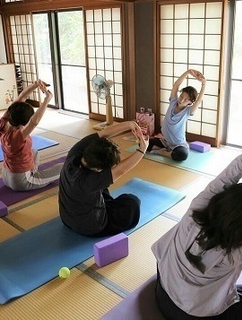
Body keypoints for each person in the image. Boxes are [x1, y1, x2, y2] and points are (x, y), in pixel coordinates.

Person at [152, 154, 242, 319]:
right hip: (194, 314)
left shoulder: (197, 210)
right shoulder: (236, 253)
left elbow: (227, 177)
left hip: (163, 291)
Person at [58, 121, 149, 237]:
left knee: (105, 190)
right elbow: (121, 170)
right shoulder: (90, 181)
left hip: (67, 218)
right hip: (91, 226)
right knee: (132, 202)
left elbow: (103, 134)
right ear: (98, 169)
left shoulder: (75, 153)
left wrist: (129, 125)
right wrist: (142, 150)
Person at [0, 80, 63, 191]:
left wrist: (35, 85)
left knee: (35, 152)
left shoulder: (4, 122)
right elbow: (35, 121)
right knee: (63, 168)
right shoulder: (17, 136)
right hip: (21, 181)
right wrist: (47, 99)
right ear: (24, 122)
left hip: (6, 174)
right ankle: (32, 175)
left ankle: (31, 171)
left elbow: (21, 97)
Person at [147, 69, 206, 161]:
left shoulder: (188, 112)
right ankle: (167, 150)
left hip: (178, 145)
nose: (182, 100)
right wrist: (188, 72)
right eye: (181, 96)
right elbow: (176, 85)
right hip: (165, 141)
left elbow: (199, 100)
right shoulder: (173, 102)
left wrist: (204, 83)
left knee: (182, 155)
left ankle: (160, 152)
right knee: (143, 144)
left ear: (190, 102)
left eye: (186, 100)